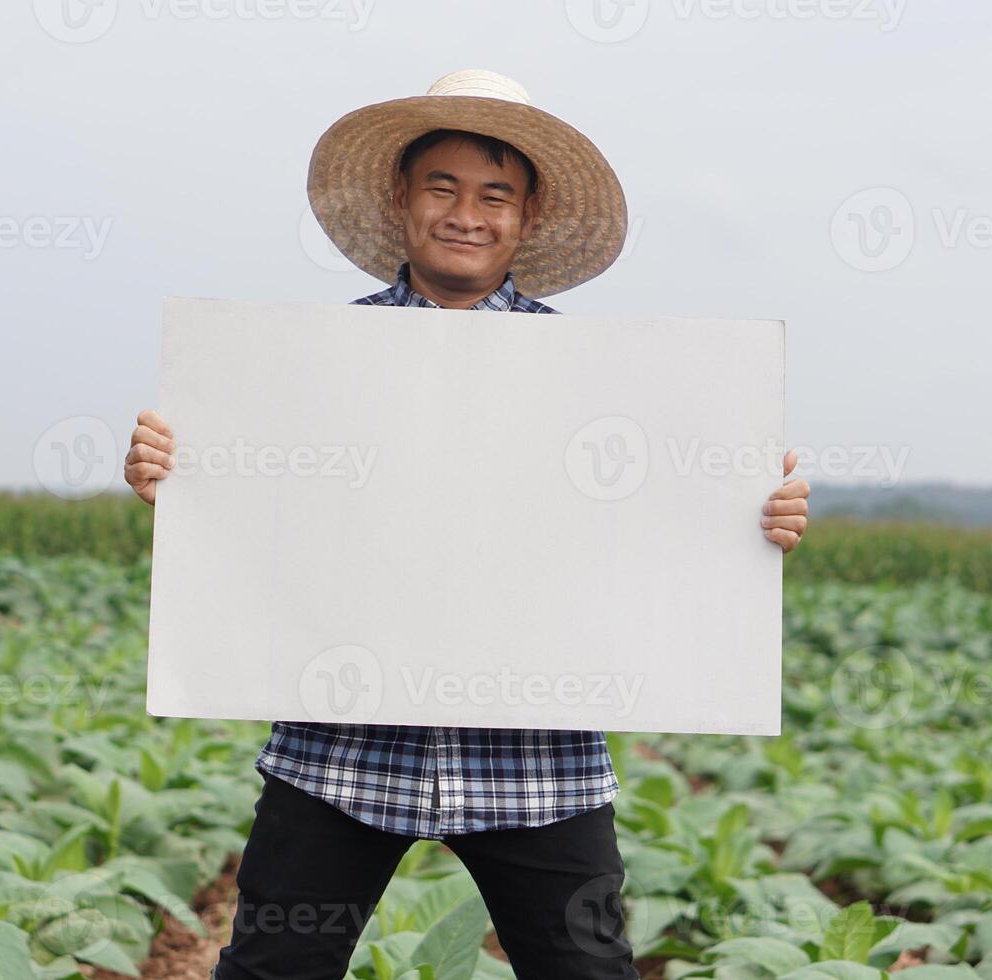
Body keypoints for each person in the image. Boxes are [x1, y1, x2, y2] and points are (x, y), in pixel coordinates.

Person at [123, 69, 810, 980]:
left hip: (539, 759)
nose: (466, 213)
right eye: (441, 187)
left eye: (496, 194)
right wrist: (181, 478)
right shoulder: (299, 370)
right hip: (339, 753)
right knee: (269, 973)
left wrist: (751, 515)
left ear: (526, 220)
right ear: (402, 202)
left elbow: (657, 530)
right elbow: (257, 518)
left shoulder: (602, 377)